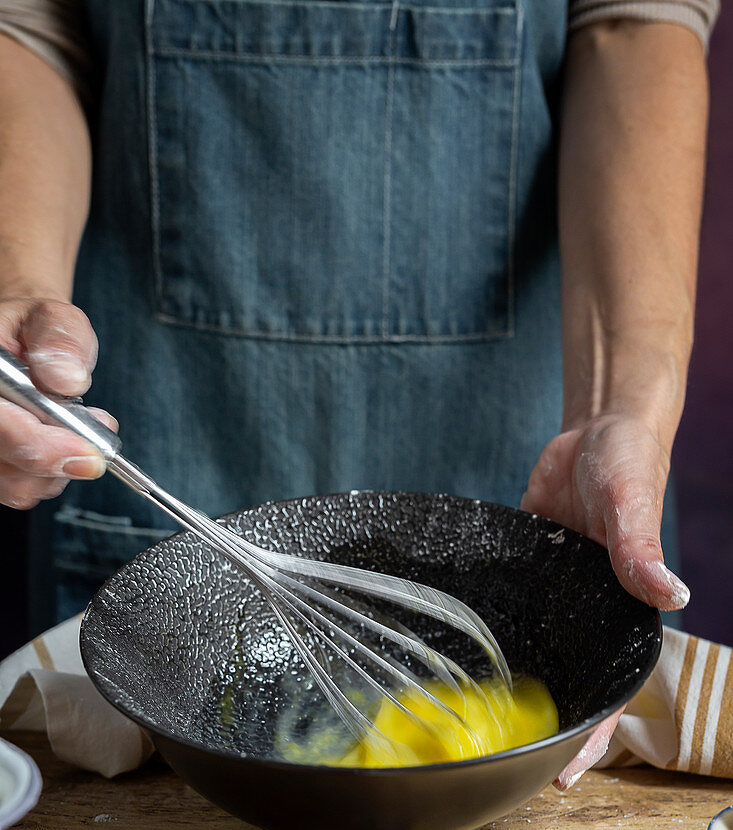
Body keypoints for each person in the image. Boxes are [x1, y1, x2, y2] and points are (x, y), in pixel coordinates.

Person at [0, 0, 717, 624]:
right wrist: (20, 284)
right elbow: (31, 26)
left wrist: (613, 410)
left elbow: (633, 23)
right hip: (174, 434)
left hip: (521, 454)